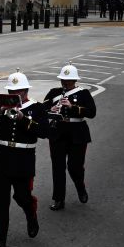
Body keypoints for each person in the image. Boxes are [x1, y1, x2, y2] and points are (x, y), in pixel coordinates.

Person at [0, 72, 48, 247]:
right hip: (1, 156)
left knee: (22, 196)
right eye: (11, 90)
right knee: (0, 200)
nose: (14, 94)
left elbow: (44, 132)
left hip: (23, 159)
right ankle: (0, 237)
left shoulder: (37, 108)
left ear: (26, 91)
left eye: (18, 91)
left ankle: (30, 213)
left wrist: (23, 119)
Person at [43, 64, 96, 210]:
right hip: (57, 132)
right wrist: (50, 109)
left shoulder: (84, 93)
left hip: (77, 133)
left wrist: (73, 107)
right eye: (63, 80)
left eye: (69, 80)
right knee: (58, 168)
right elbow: (41, 109)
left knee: (74, 167)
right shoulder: (54, 92)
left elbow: (92, 112)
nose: (65, 83)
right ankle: (59, 199)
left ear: (75, 80)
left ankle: (80, 187)